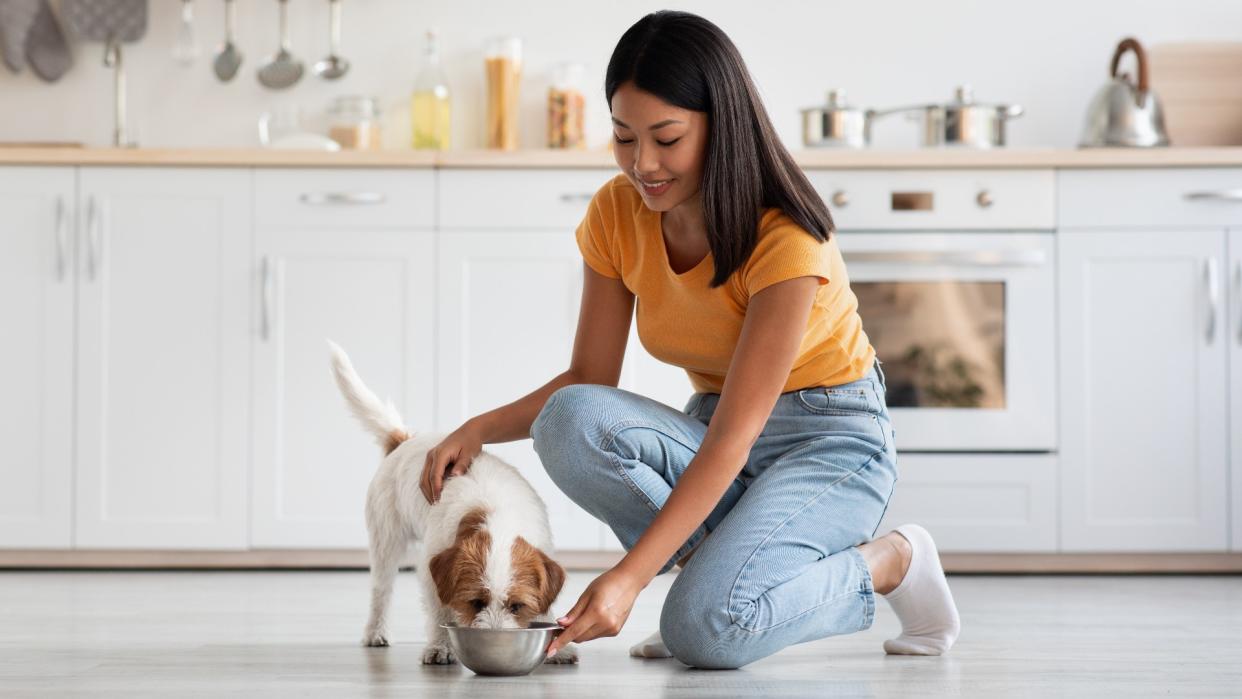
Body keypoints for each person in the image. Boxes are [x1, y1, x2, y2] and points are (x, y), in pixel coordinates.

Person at [420, 10, 960, 669]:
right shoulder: (618, 214)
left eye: (666, 138)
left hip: (829, 442)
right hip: (714, 428)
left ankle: (889, 562)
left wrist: (629, 577)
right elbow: (588, 377)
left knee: (705, 633)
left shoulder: (785, 235)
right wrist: (478, 427)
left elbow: (737, 434)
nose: (642, 163)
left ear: (719, 125)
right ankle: (719, 587)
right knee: (569, 419)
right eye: (623, 137)